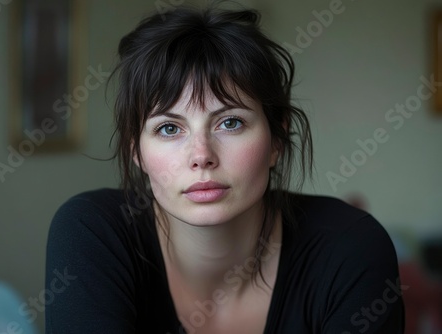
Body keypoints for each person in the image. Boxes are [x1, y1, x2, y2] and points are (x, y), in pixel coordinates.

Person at [45, 4, 405, 333]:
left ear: (276, 140)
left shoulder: (351, 248)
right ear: (135, 151)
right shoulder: (91, 233)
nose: (201, 155)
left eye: (230, 122)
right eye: (169, 128)